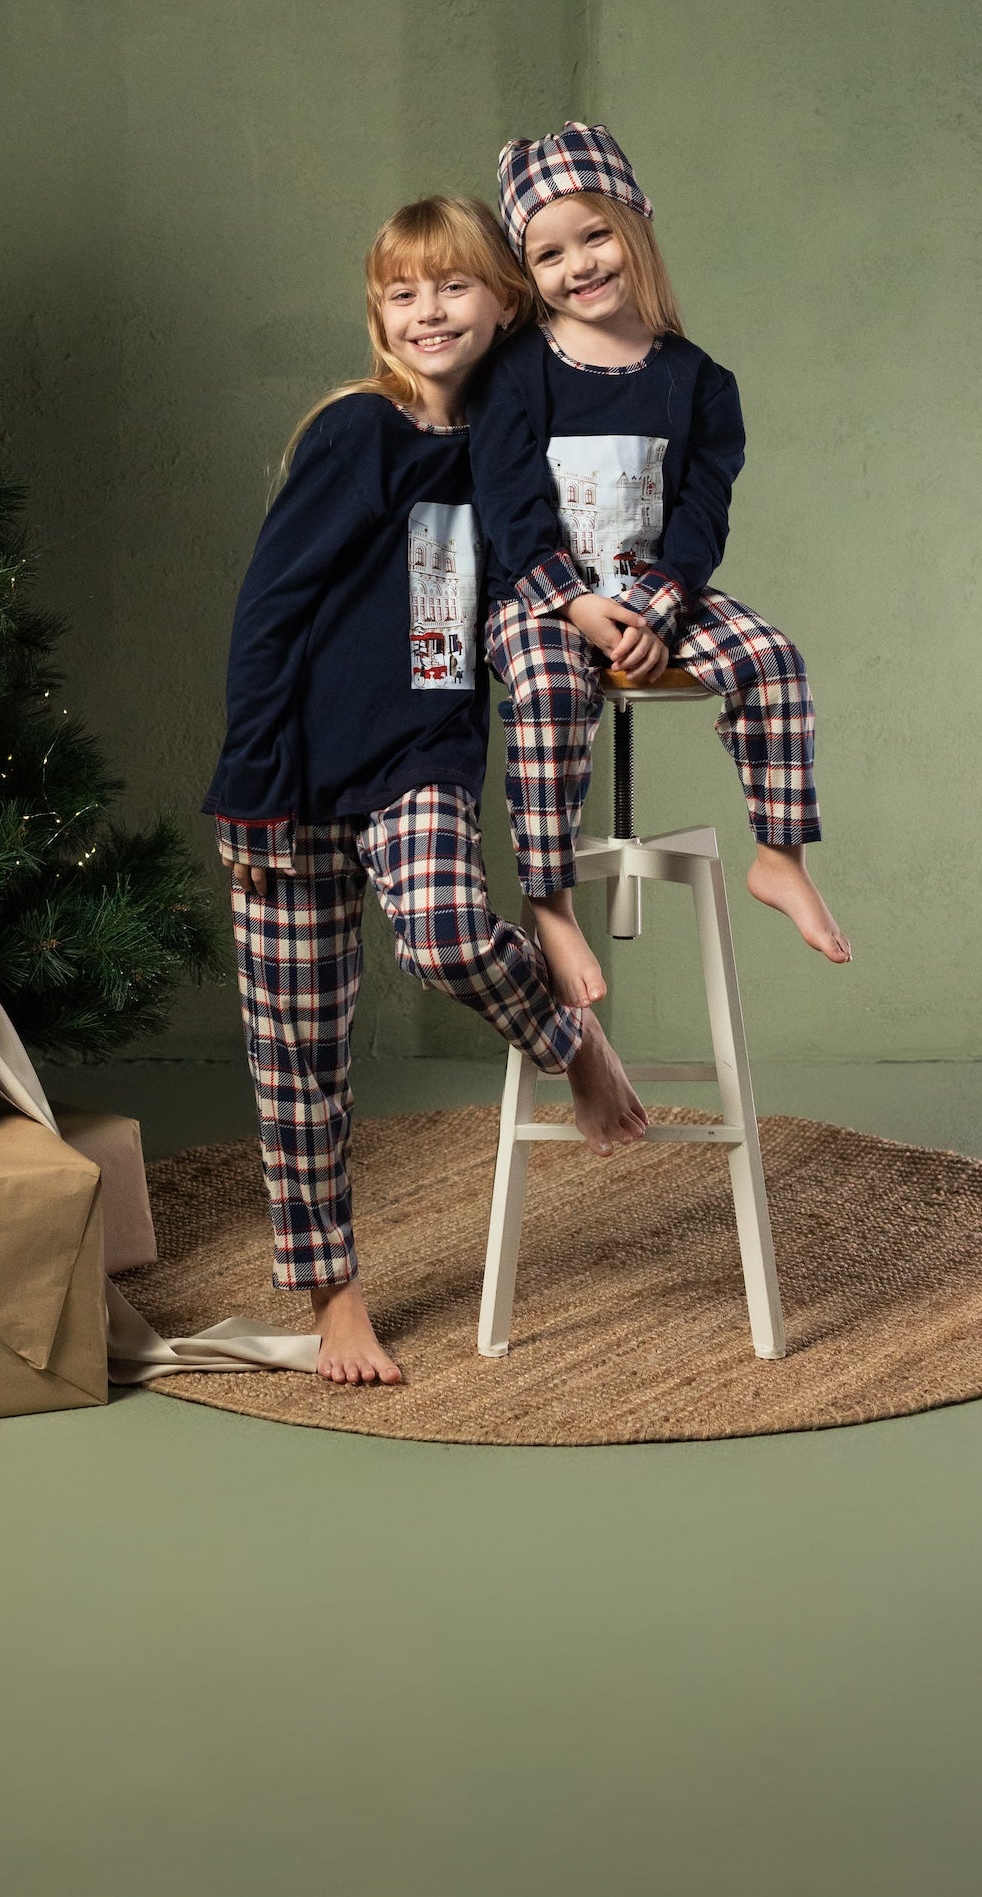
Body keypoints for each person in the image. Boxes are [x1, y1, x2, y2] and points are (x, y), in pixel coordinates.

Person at [204, 194, 652, 1388]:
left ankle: (569, 1040)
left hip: (421, 758)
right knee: (295, 1048)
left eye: (452, 285)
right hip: (294, 777)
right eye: (400, 292)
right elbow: (267, 614)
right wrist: (248, 784)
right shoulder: (357, 430)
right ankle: (334, 1296)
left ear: (504, 300)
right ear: (376, 313)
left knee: (449, 932)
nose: (427, 311)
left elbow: (549, 571)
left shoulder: (511, 454)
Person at [476, 122, 851, 1016]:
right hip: (540, 599)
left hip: (659, 593)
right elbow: (508, 505)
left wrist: (655, 605)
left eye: (595, 235)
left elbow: (702, 512)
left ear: (638, 225)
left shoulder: (698, 381)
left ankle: (780, 858)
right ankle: (551, 902)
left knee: (774, 658)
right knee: (552, 691)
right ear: (529, 272)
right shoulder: (516, 374)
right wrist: (575, 606)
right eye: (549, 254)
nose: (579, 264)